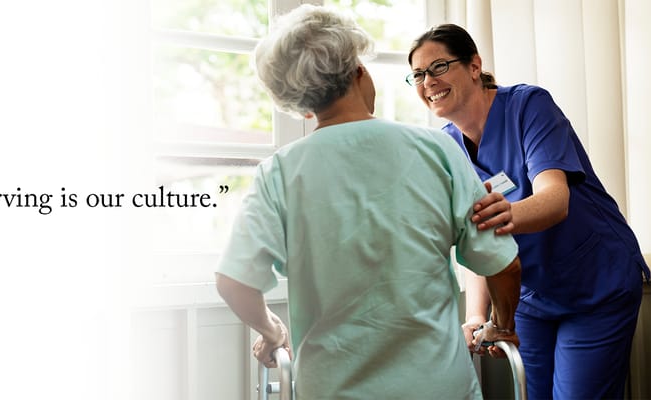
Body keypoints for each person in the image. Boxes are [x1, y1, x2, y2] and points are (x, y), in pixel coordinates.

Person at [215, 6, 522, 399]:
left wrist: (273, 331)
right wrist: (501, 323)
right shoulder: (436, 150)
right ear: (359, 70)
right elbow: (504, 264)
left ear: (305, 107)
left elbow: (233, 281)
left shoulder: (278, 172)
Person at [407, 23, 651, 400]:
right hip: (530, 296)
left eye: (439, 66)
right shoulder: (448, 148)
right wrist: (475, 315)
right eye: (418, 74)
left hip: (594, 283)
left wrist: (493, 219)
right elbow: (477, 246)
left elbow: (555, 199)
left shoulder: (528, 106)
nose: (428, 81)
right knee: (529, 394)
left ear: (474, 65)